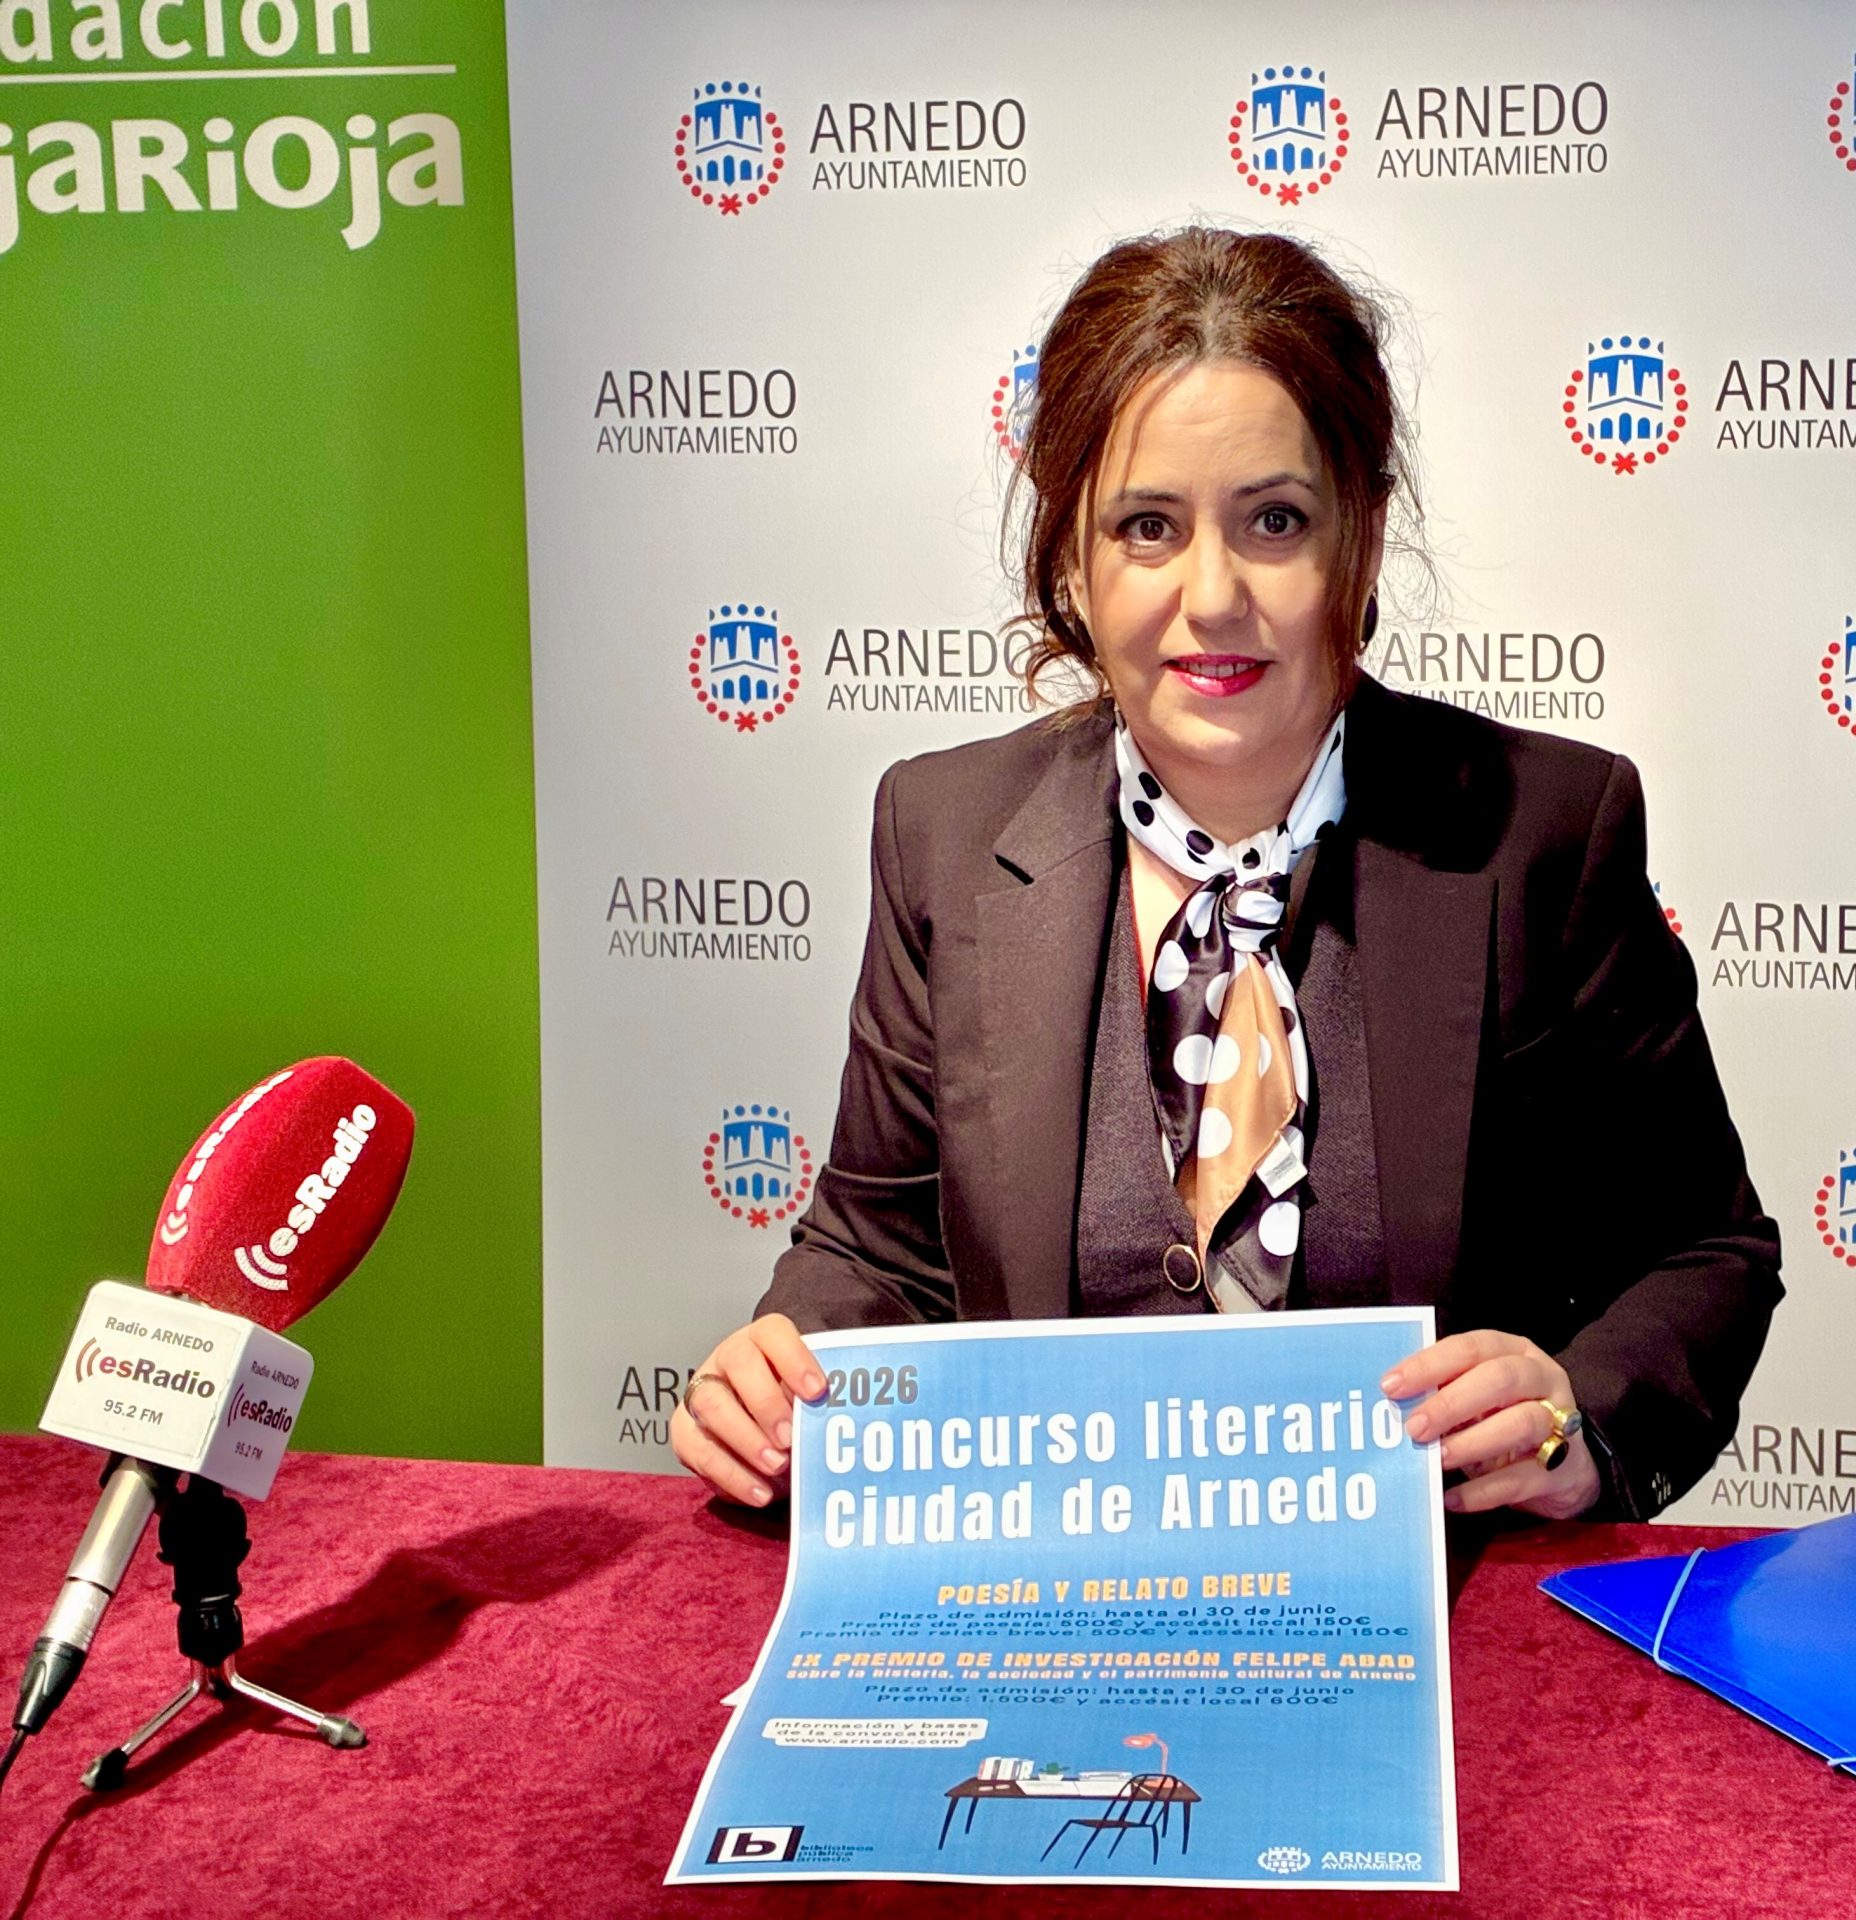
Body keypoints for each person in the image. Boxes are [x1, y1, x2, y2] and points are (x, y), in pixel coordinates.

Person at [673, 226, 1780, 1523]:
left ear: (1357, 537)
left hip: (1437, 1621)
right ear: (1073, 562)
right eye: (1148, 526)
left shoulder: (1548, 830)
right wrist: (785, 1360)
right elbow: (877, 1246)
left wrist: (1578, 1416)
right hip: (1047, 1602)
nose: (1213, 595)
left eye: (1274, 520)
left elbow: (1703, 1249)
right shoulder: (944, 832)